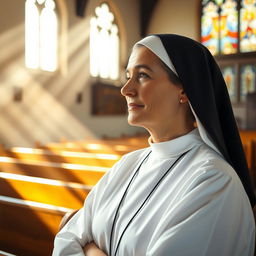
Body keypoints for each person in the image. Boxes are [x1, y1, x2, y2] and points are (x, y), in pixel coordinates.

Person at [52, 34, 255, 256]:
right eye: (128, 76)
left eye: (142, 75)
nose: (125, 89)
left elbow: (77, 240)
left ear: (184, 90)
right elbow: (67, 235)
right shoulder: (126, 165)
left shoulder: (214, 181)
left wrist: (90, 249)